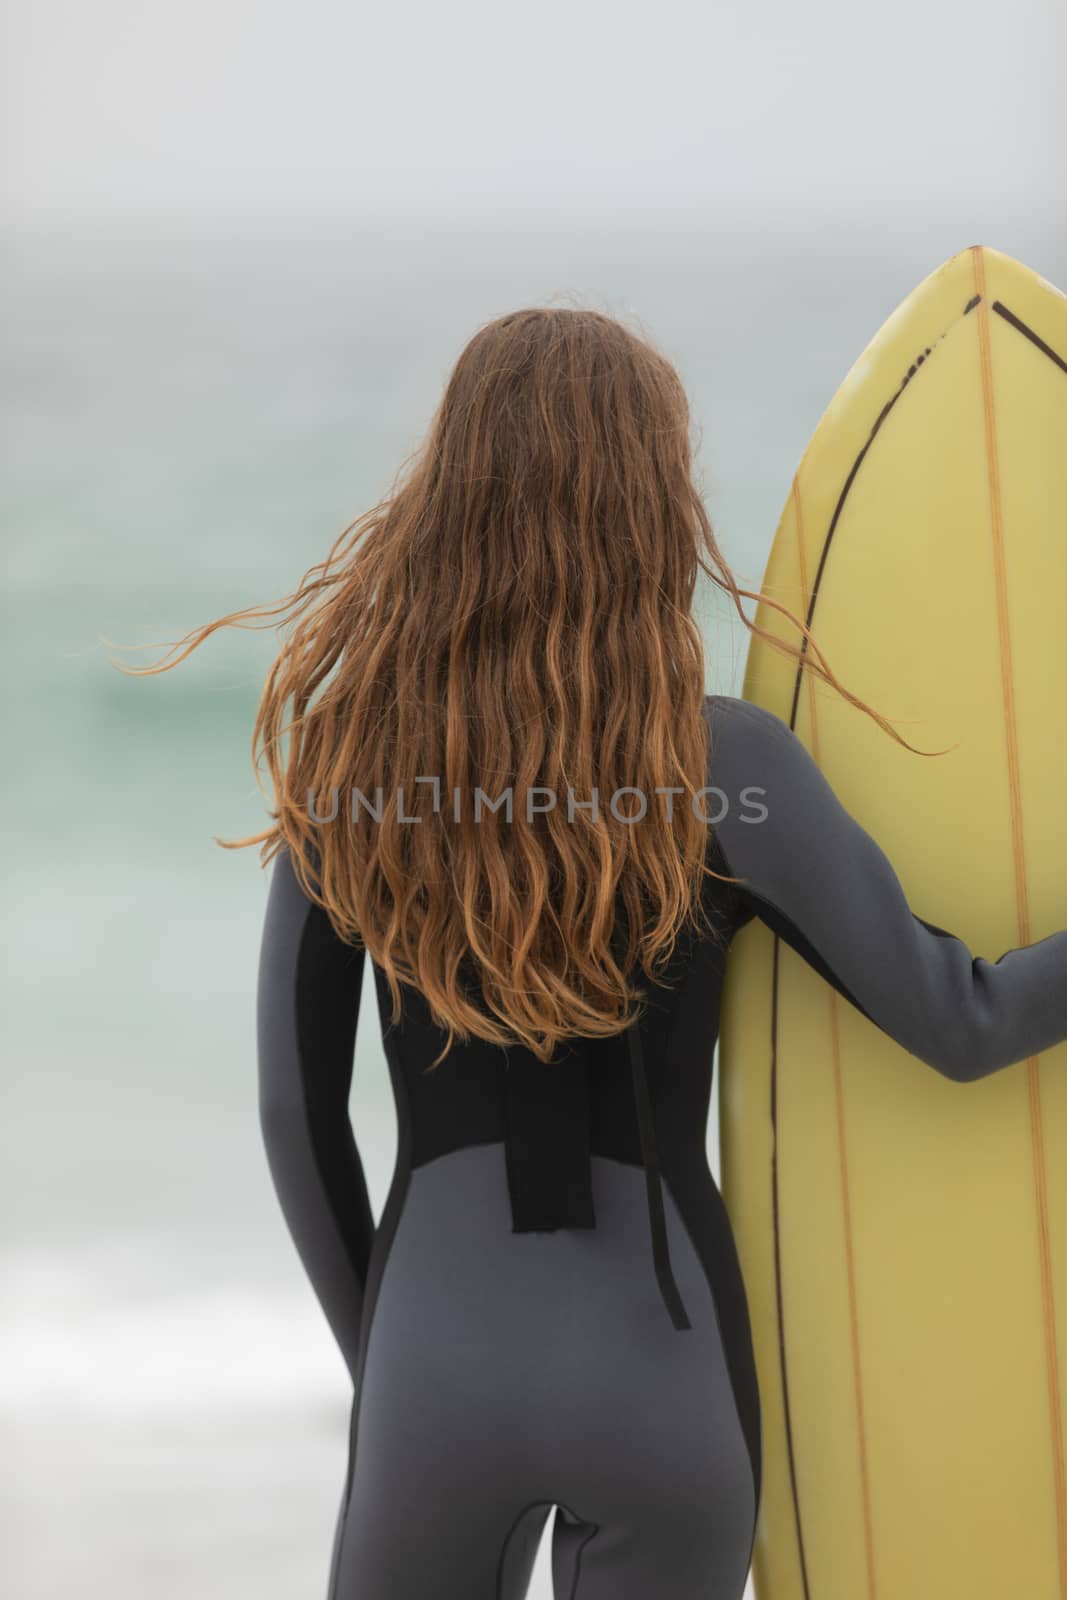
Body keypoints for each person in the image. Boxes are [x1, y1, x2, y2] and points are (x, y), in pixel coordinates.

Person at [128, 308, 1067, 1600]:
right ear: (652, 503)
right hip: (663, 1387)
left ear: (450, 492)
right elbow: (963, 1022)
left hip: (435, 1372)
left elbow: (298, 1116)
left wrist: (393, 1362)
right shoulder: (727, 772)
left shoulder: (352, 767)